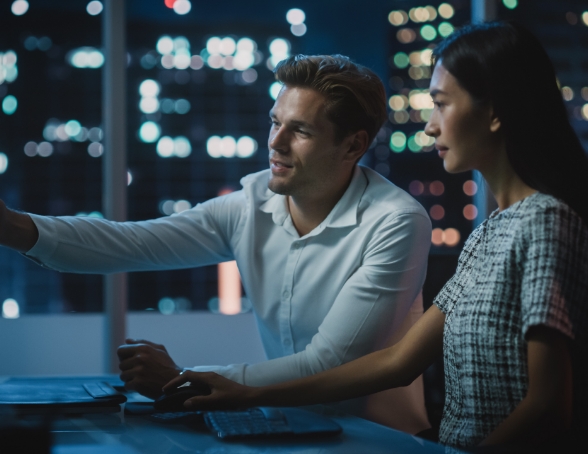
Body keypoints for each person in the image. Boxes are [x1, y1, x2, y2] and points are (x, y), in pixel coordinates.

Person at [164, 22, 588, 451]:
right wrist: (248, 393)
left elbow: (549, 407)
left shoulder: (544, 221)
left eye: (441, 104)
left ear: (495, 111)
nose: (430, 127)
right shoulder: (487, 235)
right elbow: (397, 362)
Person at [0, 55, 432, 433]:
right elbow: (131, 243)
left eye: (299, 131)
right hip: (286, 428)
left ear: (353, 145)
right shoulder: (251, 202)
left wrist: (182, 378)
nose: (275, 143)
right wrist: (11, 227)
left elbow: (329, 364)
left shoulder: (395, 222)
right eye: (275, 122)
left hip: (378, 440)